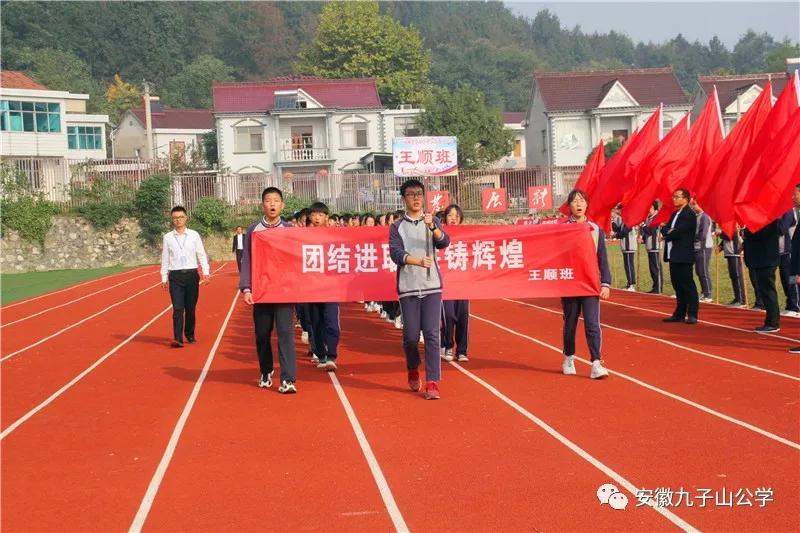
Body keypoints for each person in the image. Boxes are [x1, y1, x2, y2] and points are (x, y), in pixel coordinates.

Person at [389, 179, 450, 400]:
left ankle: (432, 382)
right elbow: (395, 254)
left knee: (432, 334)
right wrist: (417, 261)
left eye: (419, 194)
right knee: (411, 337)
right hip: (408, 288)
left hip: (432, 286)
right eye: (411, 194)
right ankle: (413, 367)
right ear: (403, 198)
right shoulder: (397, 226)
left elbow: (444, 242)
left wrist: (433, 227)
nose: (416, 198)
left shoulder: (432, 221)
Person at [239, 187, 298, 394]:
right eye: (268, 200)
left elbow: (297, 260)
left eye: (276, 200)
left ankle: (288, 379)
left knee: (285, 333)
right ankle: (266, 370)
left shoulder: (290, 230)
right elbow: (247, 259)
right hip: (261, 291)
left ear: (282, 205)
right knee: (262, 334)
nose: (272, 204)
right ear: (262, 204)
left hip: (284, 291)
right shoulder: (253, 230)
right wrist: (246, 287)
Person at [560, 190, 612, 379]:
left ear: (587, 204)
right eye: (574, 201)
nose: (578, 204)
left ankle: (596, 362)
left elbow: (602, 257)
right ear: (569, 206)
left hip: (590, 284)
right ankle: (568, 357)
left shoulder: (595, 229)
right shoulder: (562, 229)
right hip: (570, 283)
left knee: (592, 324)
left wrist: (605, 283)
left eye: (581, 201)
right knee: (570, 323)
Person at [160, 206, 211, 347]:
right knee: (177, 308)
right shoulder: (168, 237)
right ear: (172, 219)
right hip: (175, 276)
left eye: (181, 217)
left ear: (186, 218)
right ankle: (177, 338)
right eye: (175, 218)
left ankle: (189, 334)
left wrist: (206, 271)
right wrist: (163, 277)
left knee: (190, 308)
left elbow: (201, 254)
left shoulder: (194, 235)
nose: (178, 220)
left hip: (191, 275)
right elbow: (165, 258)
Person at [306, 201, 341, 371]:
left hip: (331, 287)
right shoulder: (303, 237)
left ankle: (331, 355)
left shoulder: (334, 236)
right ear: (309, 217)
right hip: (311, 287)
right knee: (316, 323)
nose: (317, 218)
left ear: (327, 217)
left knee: (332, 321)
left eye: (320, 215)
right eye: (314, 215)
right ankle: (321, 355)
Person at [660, 188, 699, 324]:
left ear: (685, 199)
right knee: (677, 285)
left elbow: (677, 232)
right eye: (673, 196)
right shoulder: (674, 214)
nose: (674, 199)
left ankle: (692, 313)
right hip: (673, 255)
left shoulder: (689, 214)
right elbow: (665, 229)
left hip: (684, 254)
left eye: (677, 197)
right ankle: (679, 313)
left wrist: (668, 231)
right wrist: (668, 230)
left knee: (687, 285)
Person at [440, 204, 469, 363]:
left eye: (457, 216)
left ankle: (462, 350)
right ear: (445, 217)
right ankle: (448, 345)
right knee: (449, 315)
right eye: (450, 215)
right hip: (446, 283)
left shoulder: (467, 235)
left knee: (463, 316)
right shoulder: (439, 235)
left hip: (463, 283)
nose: (453, 218)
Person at [743, 220, 781, 333]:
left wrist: (746, 232)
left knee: (768, 291)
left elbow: (761, 234)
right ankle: (770, 321)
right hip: (761, 260)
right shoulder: (763, 220)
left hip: (766, 260)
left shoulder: (769, 220)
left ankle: (773, 322)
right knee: (765, 291)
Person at [778, 187, 800, 316]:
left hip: (790, 251)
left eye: (795, 195)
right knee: (787, 279)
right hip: (786, 251)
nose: (792, 198)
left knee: (792, 278)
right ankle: (790, 303)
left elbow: (782, 229)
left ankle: (795, 306)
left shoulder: (789, 212)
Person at [691, 200, 714, 303]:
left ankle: (708, 294)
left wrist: (691, 238)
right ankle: (704, 292)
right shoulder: (697, 216)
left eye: (694, 204)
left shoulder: (704, 217)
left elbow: (702, 234)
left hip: (704, 247)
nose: (693, 207)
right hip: (697, 247)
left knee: (703, 270)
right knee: (698, 271)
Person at [717, 228, 746, 307]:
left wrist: (720, 233)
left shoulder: (735, 225)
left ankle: (741, 300)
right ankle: (737, 298)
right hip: (729, 253)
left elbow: (732, 235)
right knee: (733, 276)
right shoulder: (727, 226)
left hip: (735, 252)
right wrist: (721, 246)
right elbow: (726, 237)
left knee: (737, 276)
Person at [612, 205, 637, 291]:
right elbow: (618, 229)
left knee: (629, 265)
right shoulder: (623, 220)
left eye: (619, 210)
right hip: (625, 246)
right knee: (627, 265)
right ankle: (629, 283)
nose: (618, 212)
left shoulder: (629, 220)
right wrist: (612, 221)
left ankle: (632, 284)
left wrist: (616, 235)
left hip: (629, 246)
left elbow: (624, 232)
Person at [640, 202, 663, 294]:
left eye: (650, 207)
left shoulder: (656, 217)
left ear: (654, 208)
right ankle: (655, 286)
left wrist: (643, 225)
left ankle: (659, 287)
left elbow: (651, 231)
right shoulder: (648, 218)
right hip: (649, 246)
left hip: (655, 245)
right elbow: (646, 233)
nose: (648, 209)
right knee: (652, 268)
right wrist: (643, 239)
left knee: (656, 267)